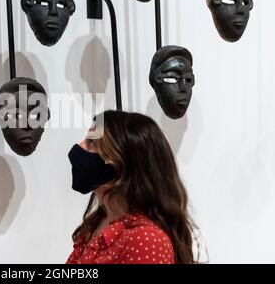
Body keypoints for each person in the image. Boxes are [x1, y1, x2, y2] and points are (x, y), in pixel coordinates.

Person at [67, 111, 197, 264]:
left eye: (91, 143)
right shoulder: (97, 224)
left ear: (121, 163)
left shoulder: (147, 241)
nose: (80, 147)